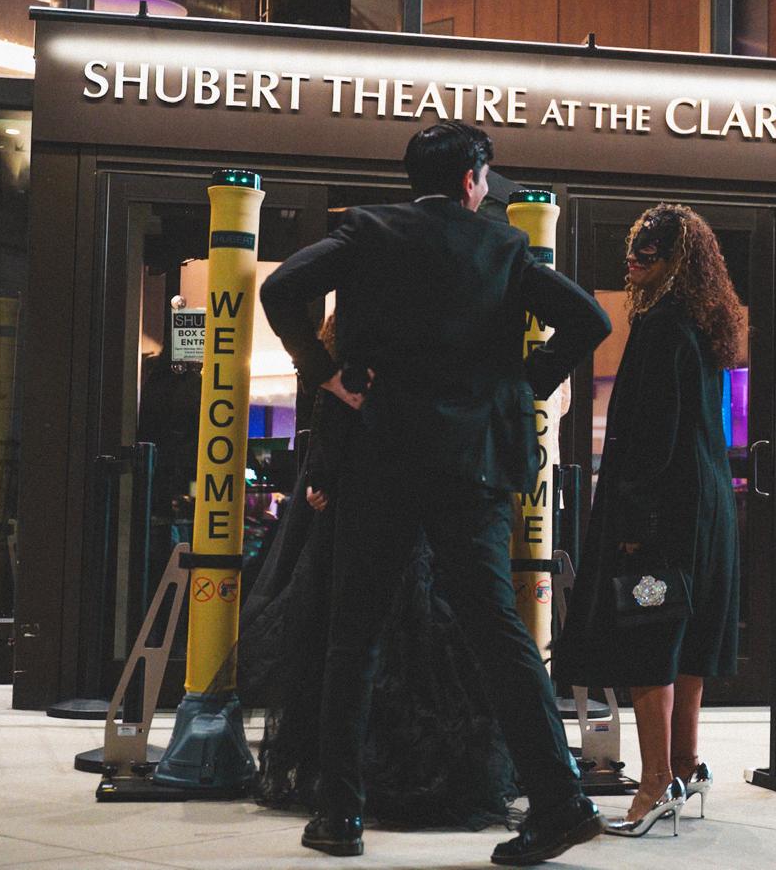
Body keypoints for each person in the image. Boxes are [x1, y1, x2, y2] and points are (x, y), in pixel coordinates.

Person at [260, 120, 611, 864]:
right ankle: (560, 801)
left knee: (354, 633)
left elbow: (283, 287)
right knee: (498, 633)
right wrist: (525, 383)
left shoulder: (367, 232)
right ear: (471, 180)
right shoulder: (505, 247)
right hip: (472, 468)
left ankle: (338, 815)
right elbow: (589, 319)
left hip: (380, 460)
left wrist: (321, 369)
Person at [239, 315, 518, 831]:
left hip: (357, 513)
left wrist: (322, 475)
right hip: (424, 512)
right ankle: (418, 769)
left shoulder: (351, 345)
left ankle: (346, 785)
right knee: (422, 644)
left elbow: (334, 425)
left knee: (348, 644)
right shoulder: (427, 341)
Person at [556, 203, 746, 837]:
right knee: (686, 638)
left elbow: (649, 434)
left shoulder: (662, 324)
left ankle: (654, 784)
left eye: (649, 251)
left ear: (675, 262)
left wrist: (633, 519)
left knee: (649, 639)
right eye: (634, 247)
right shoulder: (701, 323)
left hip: (662, 511)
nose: (634, 259)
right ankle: (686, 767)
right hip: (706, 505)